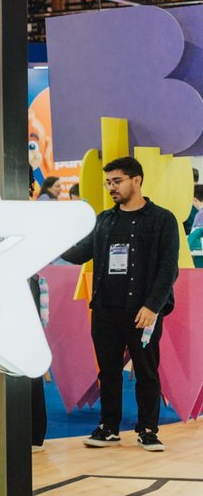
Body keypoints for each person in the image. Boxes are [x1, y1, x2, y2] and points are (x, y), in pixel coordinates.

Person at [61, 156, 180, 452]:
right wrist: (51, 238)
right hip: (105, 310)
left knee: (146, 371)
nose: (112, 187)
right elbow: (79, 254)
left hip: (143, 311)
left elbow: (169, 268)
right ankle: (109, 427)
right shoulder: (104, 220)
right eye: (108, 182)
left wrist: (153, 306)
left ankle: (148, 429)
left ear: (136, 180)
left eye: (117, 181)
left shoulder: (162, 219)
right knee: (108, 371)